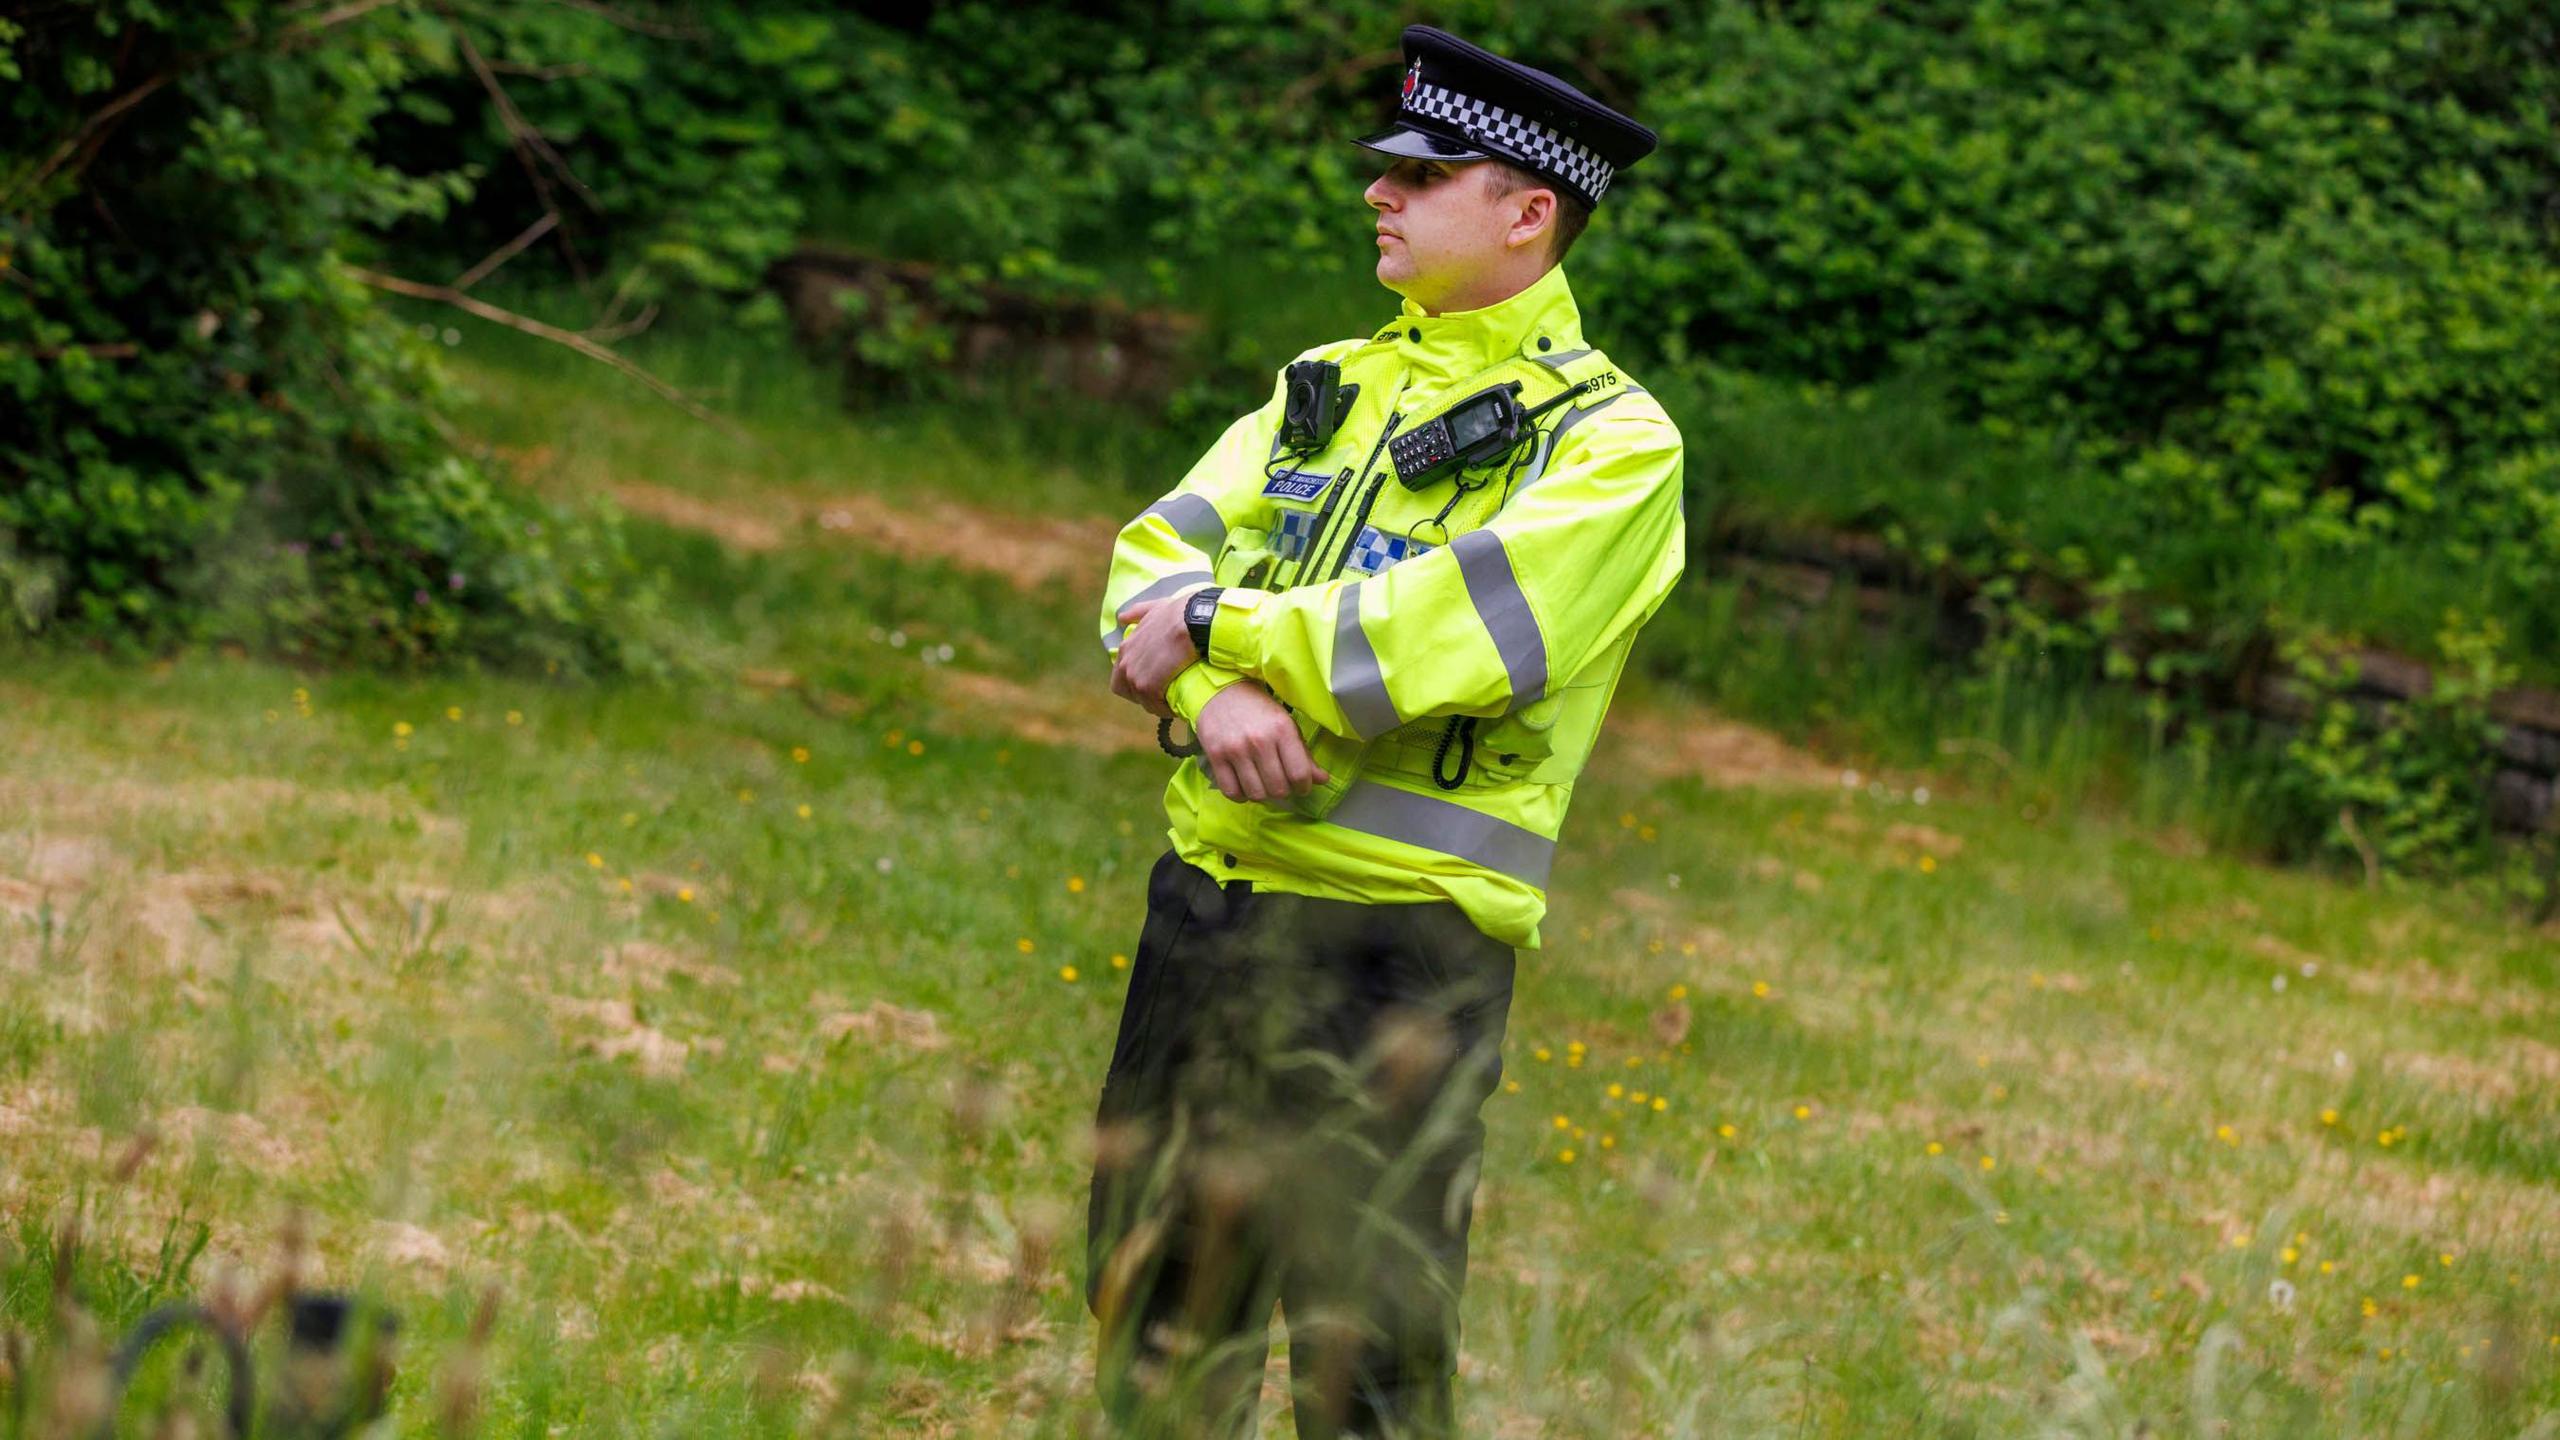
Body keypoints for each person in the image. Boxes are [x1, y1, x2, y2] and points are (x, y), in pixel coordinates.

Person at [1085, 24, 1681, 1438]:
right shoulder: (1325, 383)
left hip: (1394, 954)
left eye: (1427, 172)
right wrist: (1205, 691)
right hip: (1209, 909)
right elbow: (1149, 556)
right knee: (1149, 1319)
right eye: (1383, 171)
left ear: (1530, 212)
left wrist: (1215, 634)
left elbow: (1441, 641)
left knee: (1368, 1367)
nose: (1382, 194)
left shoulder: (1612, 446)